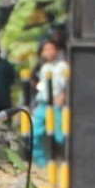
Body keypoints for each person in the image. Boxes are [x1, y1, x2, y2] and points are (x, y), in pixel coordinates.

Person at [31, 39, 70, 167]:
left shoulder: (63, 66)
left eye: (51, 49)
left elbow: (66, 86)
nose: (48, 52)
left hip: (55, 105)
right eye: (45, 49)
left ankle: (64, 161)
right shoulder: (44, 67)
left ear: (57, 50)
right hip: (42, 104)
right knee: (35, 133)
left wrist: (63, 96)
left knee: (60, 135)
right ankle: (42, 164)